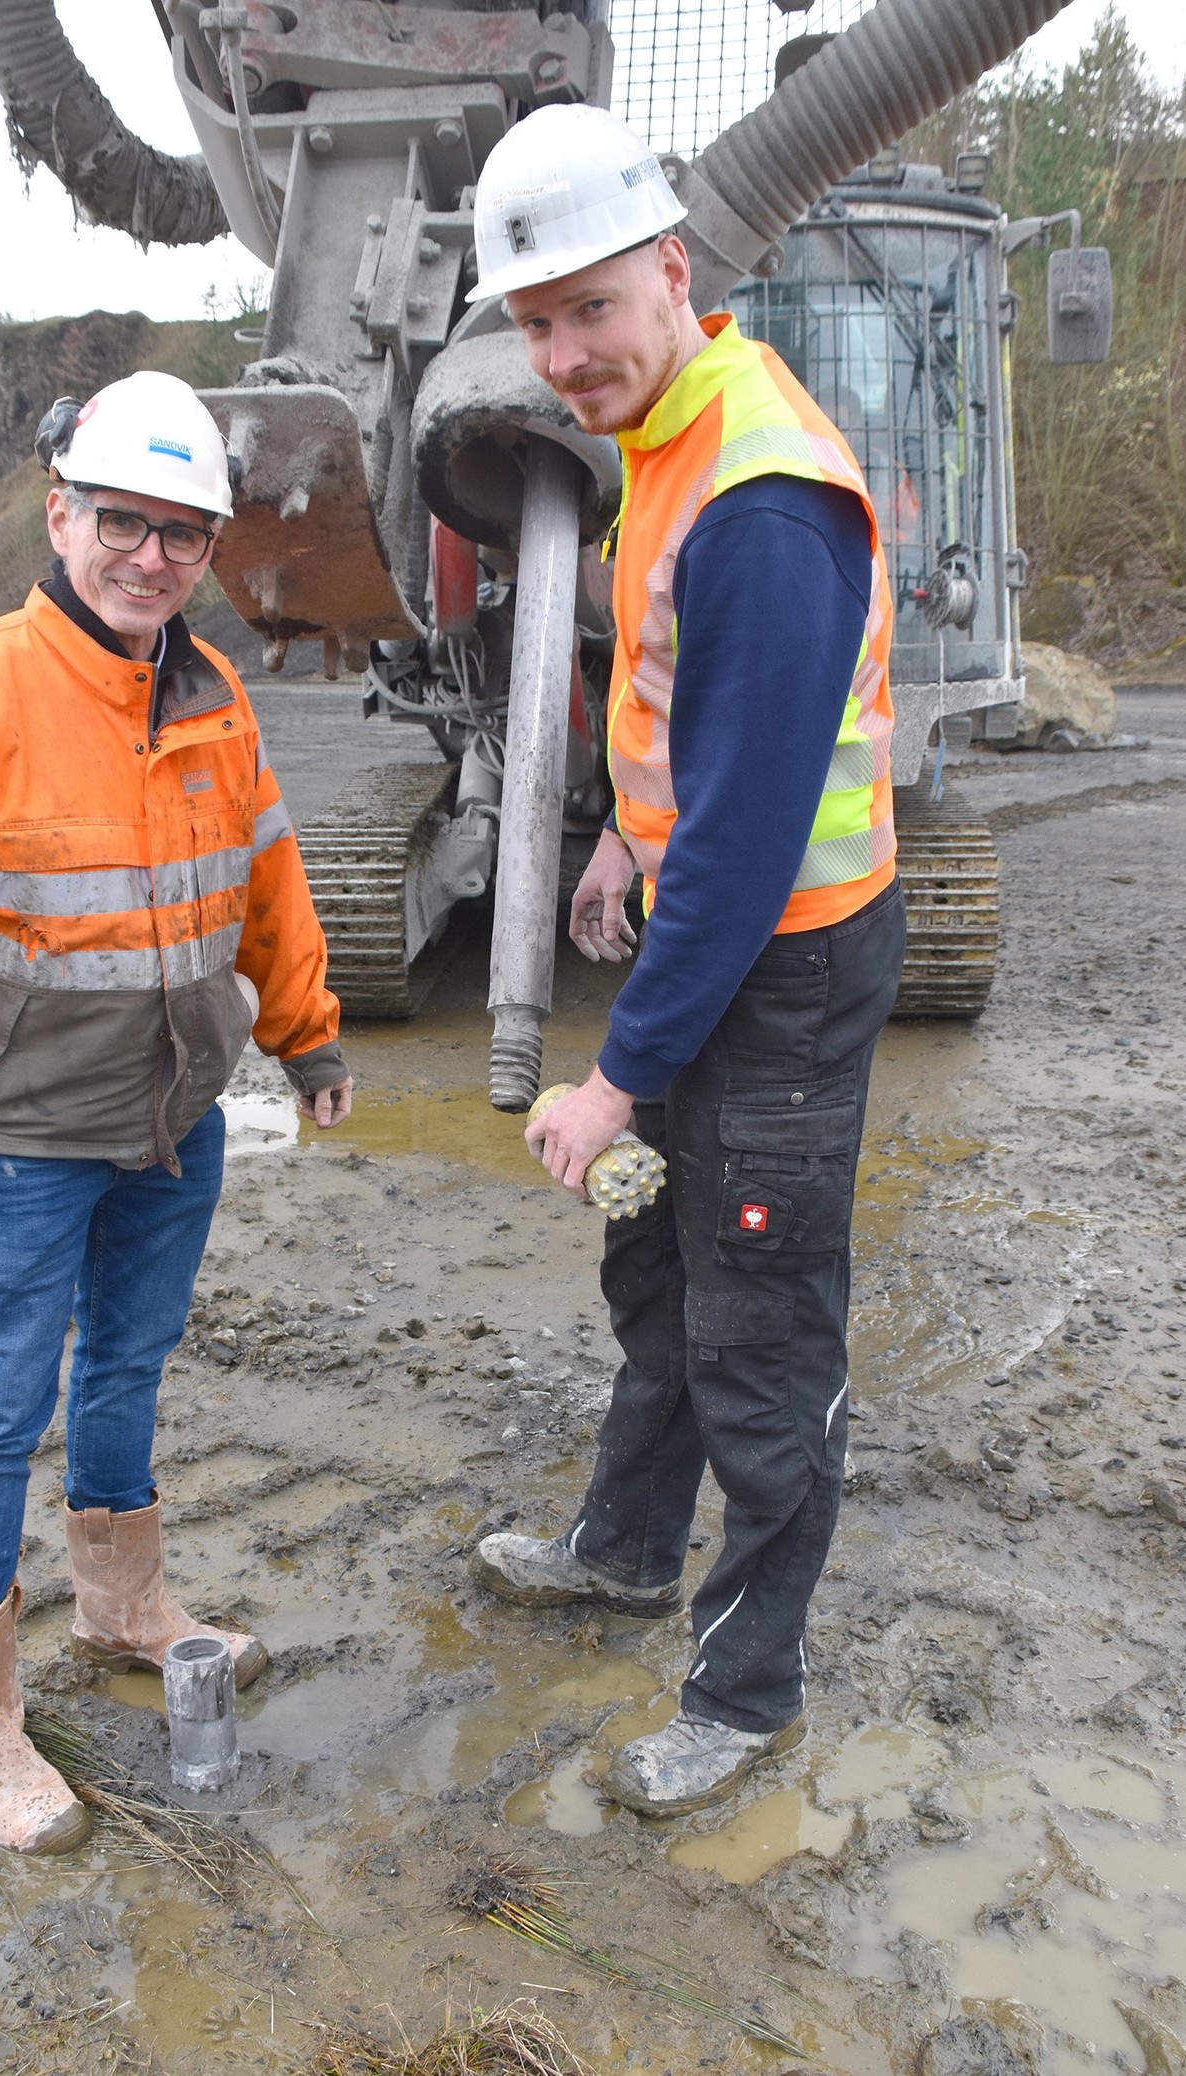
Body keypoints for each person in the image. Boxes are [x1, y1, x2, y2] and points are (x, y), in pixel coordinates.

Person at [0, 371, 352, 1855]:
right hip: (16, 1138)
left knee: (129, 1364)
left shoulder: (218, 697)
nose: (153, 558)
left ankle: (122, 1604)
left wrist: (304, 1038)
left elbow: (269, 888)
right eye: (126, 523)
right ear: (65, 517)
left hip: (176, 1118)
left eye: (183, 534)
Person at [464, 106, 907, 1817]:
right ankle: (625, 1549)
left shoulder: (764, 498)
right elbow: (683, 731)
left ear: (673, 270)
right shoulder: (672, 432)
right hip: (713, 936)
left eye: (588, 308)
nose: (564, 355)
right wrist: (613, 837)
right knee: (660, 1276)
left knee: (762, 1322)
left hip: (777, 979)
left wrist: (614, 1076)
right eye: (535, 323)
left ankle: (746, 1689)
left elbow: (739, 850)